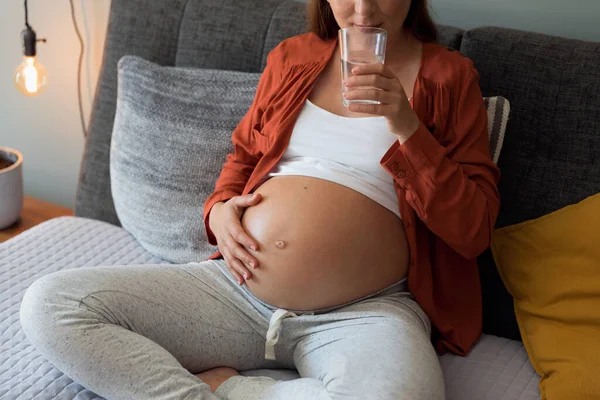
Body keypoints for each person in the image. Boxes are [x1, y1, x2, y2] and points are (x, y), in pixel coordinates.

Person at [19, 0, 500, 399]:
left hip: (368, 310)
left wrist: (407, 127)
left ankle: (234, 390)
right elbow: (243, 157)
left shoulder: (449, 78)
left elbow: (473, 229)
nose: (362, 9)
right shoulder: (294, 58)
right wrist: (220, 211)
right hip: (238, 289)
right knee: (52, 305)